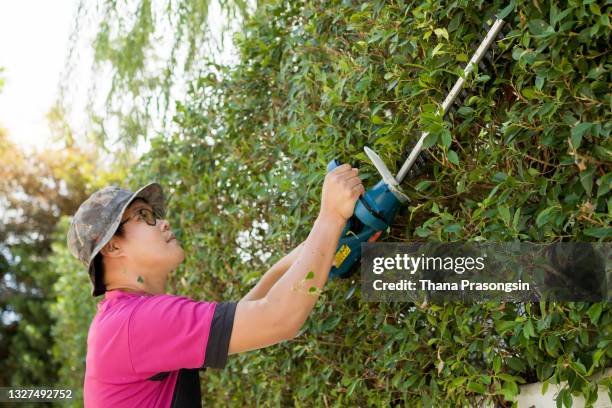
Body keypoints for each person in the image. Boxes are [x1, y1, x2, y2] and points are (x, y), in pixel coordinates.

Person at [66, 163, 364, 407]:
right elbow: (278, 319)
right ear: (113, 248)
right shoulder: (135, 323)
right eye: (143, 217)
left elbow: (249, 312)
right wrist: (330, 216)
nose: (163, 223)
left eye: (154, 214)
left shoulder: (123, 320)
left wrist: (319, 244)